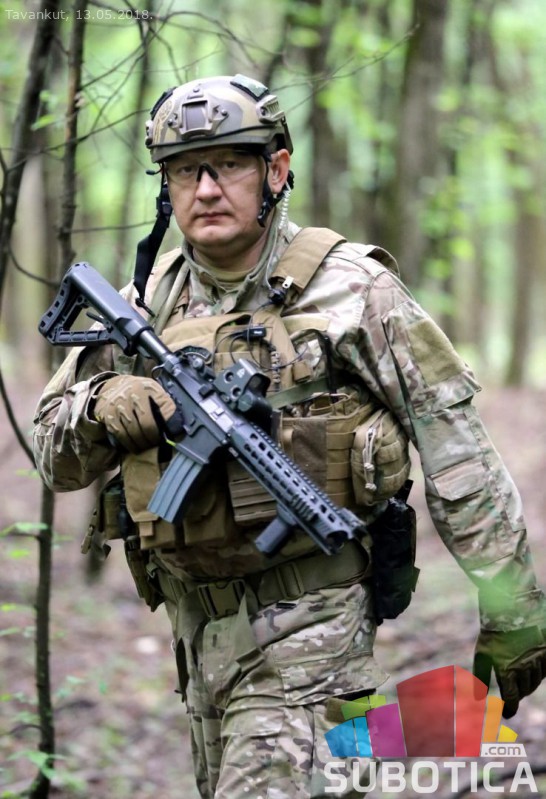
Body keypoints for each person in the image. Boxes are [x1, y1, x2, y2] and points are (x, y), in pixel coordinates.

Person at [33, 74, 546, 798]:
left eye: (229, 165)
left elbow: (457, 452)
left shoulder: (354, 290)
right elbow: (54, 457)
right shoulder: (145, 303)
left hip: (314, 633)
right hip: (199, 640)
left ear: (276, 170)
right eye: (185, 170)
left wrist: (514, 609)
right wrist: (100, 404)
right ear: (166, 186)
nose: (207, 189)